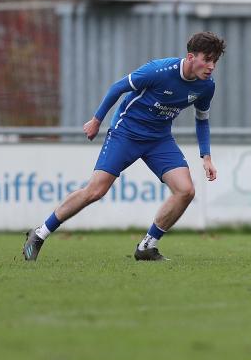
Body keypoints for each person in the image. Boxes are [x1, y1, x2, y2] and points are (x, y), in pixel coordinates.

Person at [22, 32, 226, 262]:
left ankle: (147, 247)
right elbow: (118, 87)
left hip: (159, 139)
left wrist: (206, 156)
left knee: (186, 191)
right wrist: (96, 120)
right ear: (190, 57)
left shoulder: (206, 86)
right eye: (207, 60)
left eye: (215, 61)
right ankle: (39, 234)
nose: (211, 66)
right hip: (126, 133)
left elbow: (202, 120)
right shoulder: (158, 71)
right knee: (95, 191)